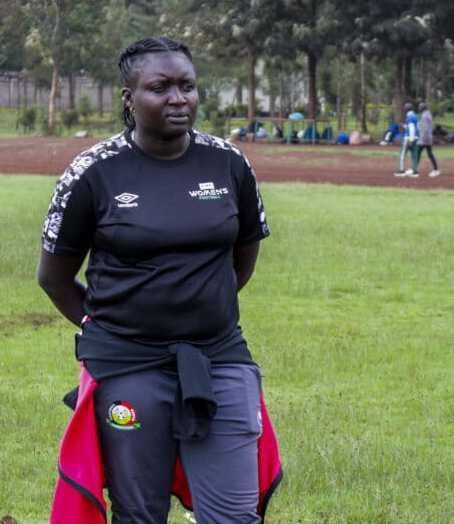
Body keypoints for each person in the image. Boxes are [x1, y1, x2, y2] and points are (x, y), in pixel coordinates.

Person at [38, 36, 282, 524]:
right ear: (129, 98)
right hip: (127, 364)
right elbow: (55, 278)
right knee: (140, 514)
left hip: (219, 355)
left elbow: (243, 259)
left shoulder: (229, 164)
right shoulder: (92, 173)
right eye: (161, 87)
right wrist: (109, 326)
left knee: (236, 515)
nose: (178, 98)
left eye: (187, 86)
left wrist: (199, 305)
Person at [411, 102, 440, 177]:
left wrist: (421, 139)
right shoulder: (427, 114)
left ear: (423, 108)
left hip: (425, 138)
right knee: (426, 154)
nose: (418, 108)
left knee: (419, 153)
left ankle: (415, 169)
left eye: (419, 107)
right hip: (427, 138)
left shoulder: (425, 116)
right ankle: (415, 169)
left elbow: (425, 129)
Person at [395, 102, 419, 177]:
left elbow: (411, 129)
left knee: (402, 154)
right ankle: (415, 171)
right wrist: (404, 126)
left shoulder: (409, 117)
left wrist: (410, 140)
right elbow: (416, 128)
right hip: (416, 137)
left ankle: (401, 170)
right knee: (414, 155)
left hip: (408, 138)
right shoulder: (415, 116)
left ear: (406, 109)